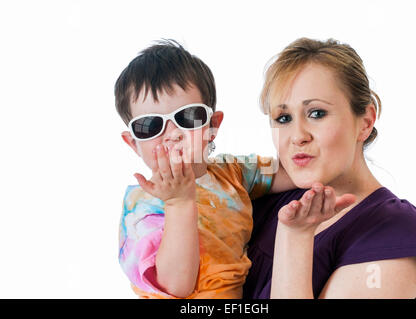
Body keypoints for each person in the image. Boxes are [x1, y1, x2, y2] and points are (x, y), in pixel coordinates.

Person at [114, 40, 356, 299]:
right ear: (133, 143)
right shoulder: (142, 207)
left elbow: (295, 173)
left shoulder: (233, 173)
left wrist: (332, 153)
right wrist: (178, 204)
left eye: (188, 118)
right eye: (150, 125)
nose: (172, 134)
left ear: (212, 126)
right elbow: (177, 286)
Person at [243, 37, 416, 299]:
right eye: (283, 118)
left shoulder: (393, 230)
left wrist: (295, 237)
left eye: (316, 113)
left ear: (366, 122)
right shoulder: (260, 200)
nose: (297, 136)